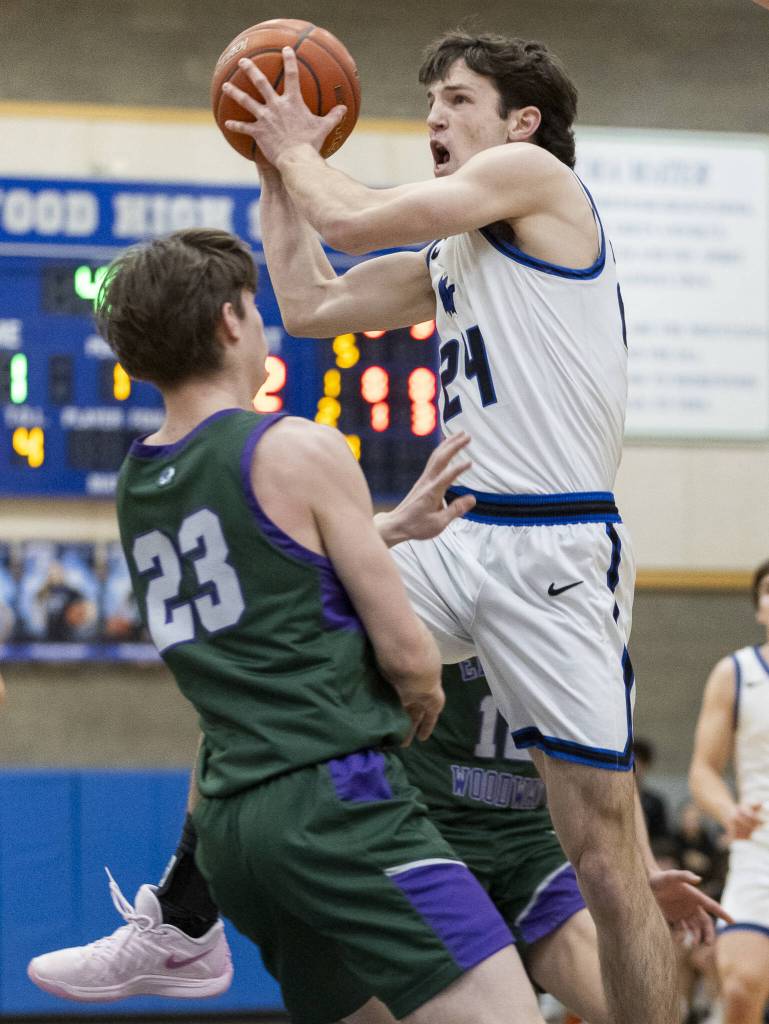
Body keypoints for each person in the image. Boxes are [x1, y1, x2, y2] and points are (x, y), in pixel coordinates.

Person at [217, 29, 676, 1022]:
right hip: (458, 539)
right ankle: (184, 905)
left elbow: (350, 218)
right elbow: (308, 303)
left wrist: (296, 146)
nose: (434, 116)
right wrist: (269, 171)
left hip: (554, 546)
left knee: (602, 853)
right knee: (282, 630)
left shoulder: (533, 177)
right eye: (430, 101)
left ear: (521, 121)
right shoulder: (458, 251)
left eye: (457, 99)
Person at [40, 225, 548, 1024]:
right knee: (508, 1013)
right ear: (231, 322)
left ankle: (180, 919)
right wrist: (419, 695)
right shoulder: (297, 447)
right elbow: (409, 653)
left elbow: (265, 564)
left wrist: (380, 528)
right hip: (338, 803)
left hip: (230, 833)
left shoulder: (138, 480)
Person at [689, 558, 769, 1024]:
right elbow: (702, 770)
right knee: (739, 987)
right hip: (758, 848)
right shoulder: (735, 672)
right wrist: (727, 811)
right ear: (759, 608)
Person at [634, 736, 673, 850]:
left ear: (646, 765)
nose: (635, 768)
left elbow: (663, 837)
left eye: (639, 762)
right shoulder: (614, 800)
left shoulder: (655, 802)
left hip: (650, 852)